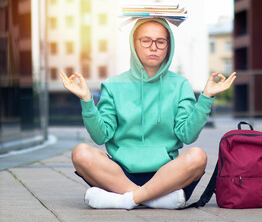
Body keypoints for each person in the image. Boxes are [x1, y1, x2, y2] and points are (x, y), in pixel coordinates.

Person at [60, 18, 236, 210]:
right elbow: (101, 135)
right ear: (134, 43)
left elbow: (187, 135)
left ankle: (124, 200)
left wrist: (206, 97)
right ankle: (154, 199)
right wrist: (86, 99)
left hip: (167, 174)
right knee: (81, 153)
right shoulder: (113, 85)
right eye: (146, 40)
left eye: (160, 42)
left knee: (198, 157)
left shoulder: (180, 85)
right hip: (119, 173)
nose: (153, 47)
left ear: (168, 47)